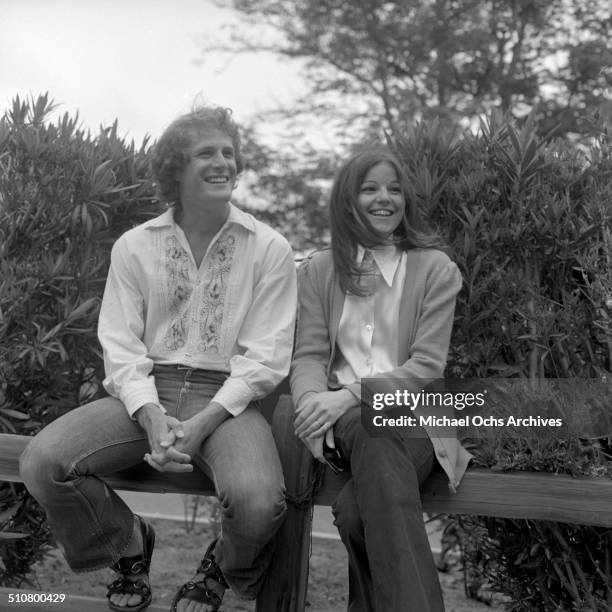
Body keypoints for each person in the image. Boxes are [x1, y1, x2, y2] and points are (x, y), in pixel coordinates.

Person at [19, 105, 297, 612]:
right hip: (147, 388)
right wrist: (150, 415)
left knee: (259, 501)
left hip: (227, 399)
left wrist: (205, 420)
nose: (223, 163)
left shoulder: (270, 248)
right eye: (206, 153)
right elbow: (121, 345)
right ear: (176, 168)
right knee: (42, 462)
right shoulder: (134, 247)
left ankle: (220, 567)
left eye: (229, 153)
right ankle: (127, 544)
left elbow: (268, 355)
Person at [290, 147, 472, 611]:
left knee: (355, 514)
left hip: (416, 425)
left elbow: (426, 366)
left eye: (394, 188)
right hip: (346, 425)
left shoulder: (435, 270)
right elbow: (309, 354)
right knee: (369, 425)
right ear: (348, 200)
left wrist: (350, 394)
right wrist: (313, 408)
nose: (384, 198)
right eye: (370, 188)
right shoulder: (319, 270)